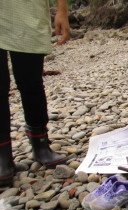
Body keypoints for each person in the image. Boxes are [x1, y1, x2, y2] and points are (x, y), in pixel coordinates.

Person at [0, 0, 70, 186]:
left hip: (28, 12)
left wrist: (62, 11)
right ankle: (3, 155)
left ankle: (40, 144)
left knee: (31, 82)